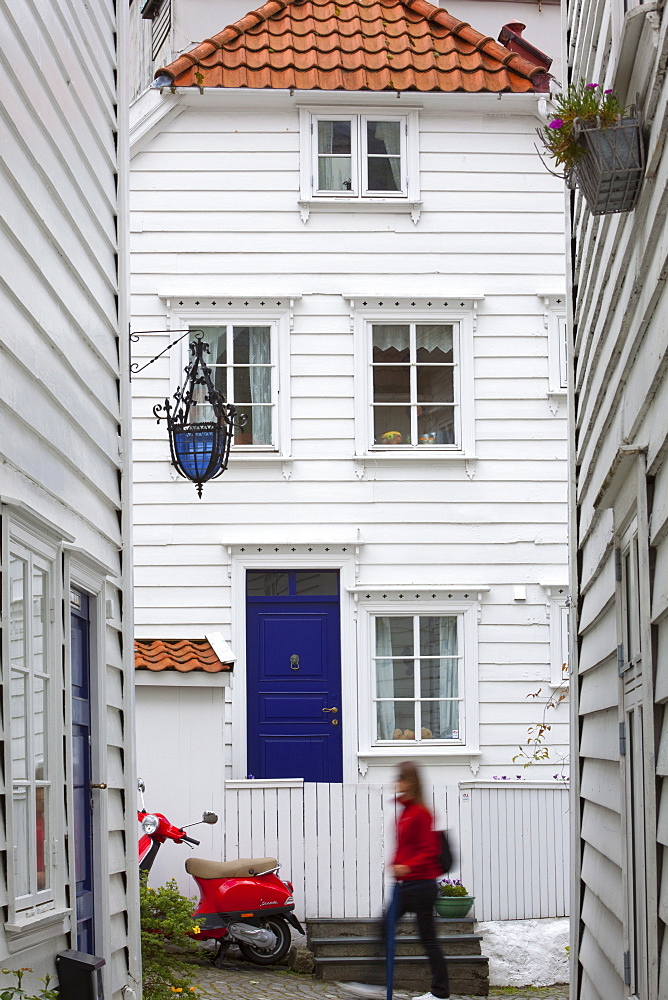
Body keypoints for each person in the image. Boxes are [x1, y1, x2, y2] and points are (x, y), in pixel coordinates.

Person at [341, 761, 450, 1000]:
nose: (396, 782)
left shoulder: (421, 813)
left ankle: (440, 993)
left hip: (421, 885)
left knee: (427, 939)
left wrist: (408, 866)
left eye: (401, 777)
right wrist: (395, 864)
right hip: (406, 885)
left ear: (411, 781)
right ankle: (375, 983)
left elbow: (429, 850)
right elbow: (405, 847)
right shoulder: (406, 811)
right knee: (384, 928)